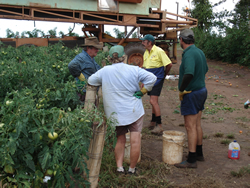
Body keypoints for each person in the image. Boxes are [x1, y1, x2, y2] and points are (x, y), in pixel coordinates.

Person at [88, 45, 156, 175]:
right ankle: (132, 169)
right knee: (135, 140)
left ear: (109, 58)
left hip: (115, 113)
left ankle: (119, 168)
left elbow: (91, 80)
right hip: (134, 111)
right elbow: (152, 78)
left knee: (120, 139)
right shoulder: (134, 69)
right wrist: (143, 91)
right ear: (124, 57)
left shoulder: (104, 71)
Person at [174, 29, 208, 168]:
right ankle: (199, 153)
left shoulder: (188, 54)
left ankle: (191, 160)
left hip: (191, 93)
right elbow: (205, 69)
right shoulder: (199, 52)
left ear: (181, 40)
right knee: (197, 124)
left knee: (190, 126)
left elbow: (189, 73)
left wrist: (182, 89)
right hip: (201, 91)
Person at [140, 34, 172, 135]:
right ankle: (153, 122)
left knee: (153, 101)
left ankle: (160, 126)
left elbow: (169, 64)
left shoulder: (159, 51)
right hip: (149, 79)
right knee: (153, 101)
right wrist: (144, 81)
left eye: (144, 41)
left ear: (149, 42)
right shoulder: (146, 52)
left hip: (157, 79)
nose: (142, 43)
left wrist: (164, 75)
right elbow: (145, 69)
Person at [68, 37, 103, 101]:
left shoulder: (91, 58)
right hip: (84, 92)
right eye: (96, 48)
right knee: (87, 109)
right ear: (88, 48)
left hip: (91, 91)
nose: (97, 50)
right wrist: (81, 77)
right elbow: (71, 65)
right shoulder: (82, 57)